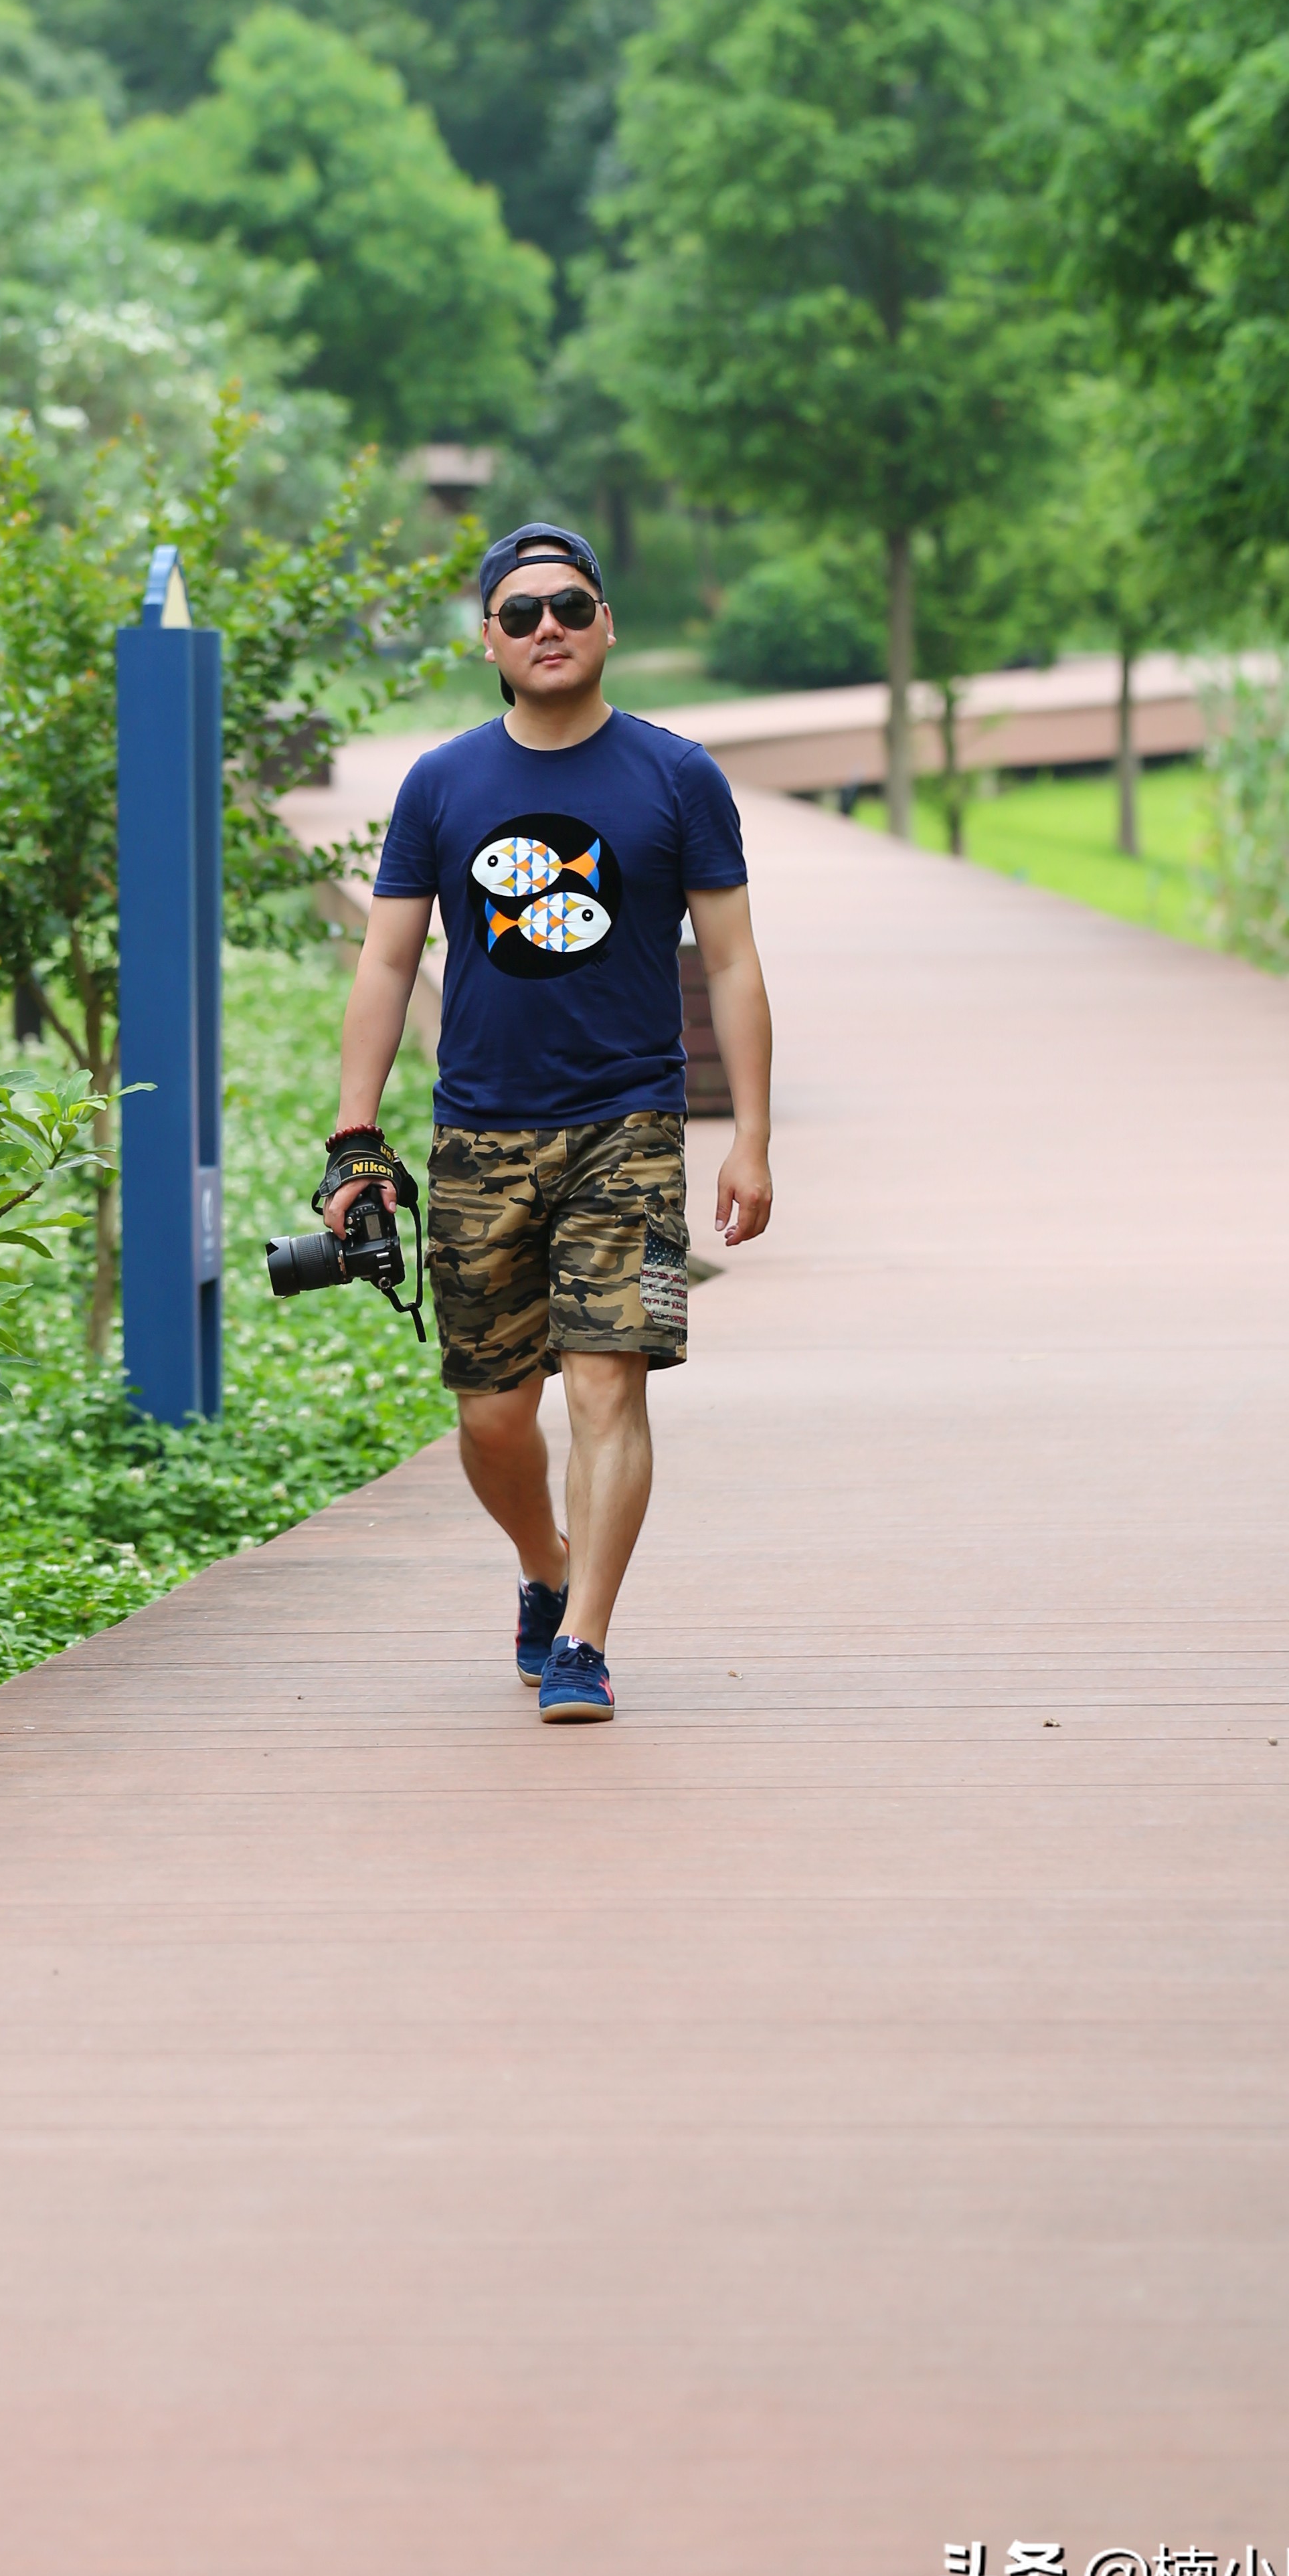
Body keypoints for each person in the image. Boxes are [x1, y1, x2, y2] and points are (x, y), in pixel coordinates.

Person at [319, 523, 773, 1722]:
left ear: (607, 621)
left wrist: (753, 1136)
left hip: (628, 1123)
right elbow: (385, 963)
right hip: (479, 1133)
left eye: (569, 606)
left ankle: (583, 1641)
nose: (548, 630)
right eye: (521, 615)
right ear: (489, 641)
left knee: (606, 1386)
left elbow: (729, 964)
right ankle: (543, 1564)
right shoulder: (445, 784)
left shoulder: (678, 778)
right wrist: (352, 1139)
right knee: (491, 1415)